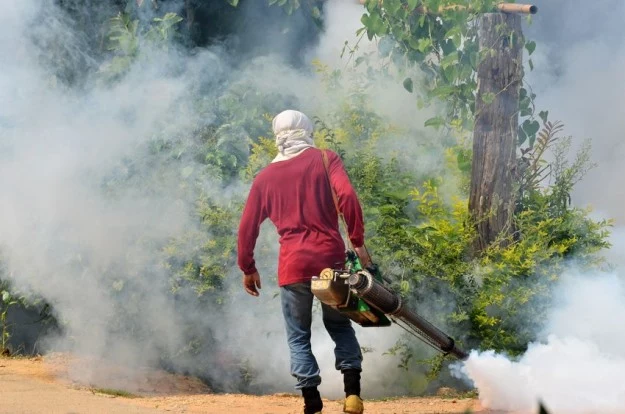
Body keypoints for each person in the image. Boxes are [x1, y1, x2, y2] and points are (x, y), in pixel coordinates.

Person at [237, 109, 371, 414]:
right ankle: (352, 395)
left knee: (298, 335)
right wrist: (358, 241)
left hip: (293, 267)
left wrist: (248, 267)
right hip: (330, 262)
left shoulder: (264, 178)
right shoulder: (326, 159)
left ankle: (312, 402)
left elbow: (247, 227)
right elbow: (347, 196)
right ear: (307, 130)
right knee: (339, 326)